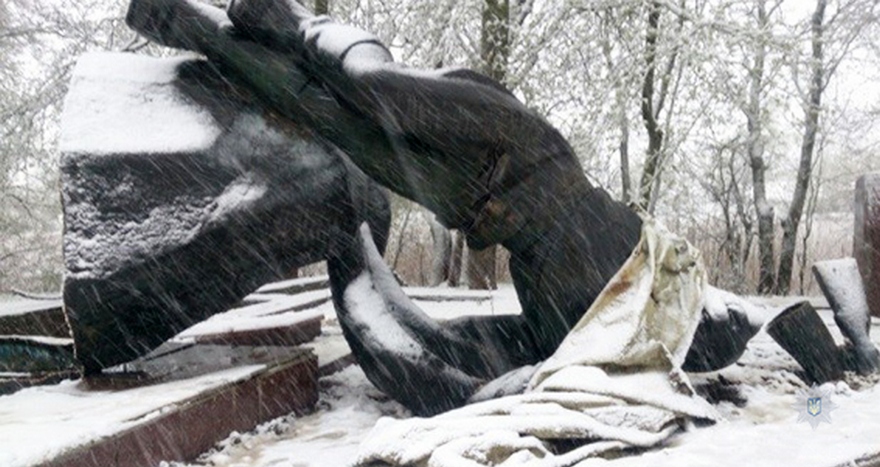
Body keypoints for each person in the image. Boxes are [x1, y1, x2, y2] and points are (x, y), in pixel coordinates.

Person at [126, 0, 767, 415]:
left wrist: (482, 384)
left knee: (319, 111)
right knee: (371, 86)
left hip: (474, 201)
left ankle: (177, 17)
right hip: (523, 150)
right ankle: (291, 20)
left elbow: (492, 348)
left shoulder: (599, 340)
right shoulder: (664, 278)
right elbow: (766, 318)